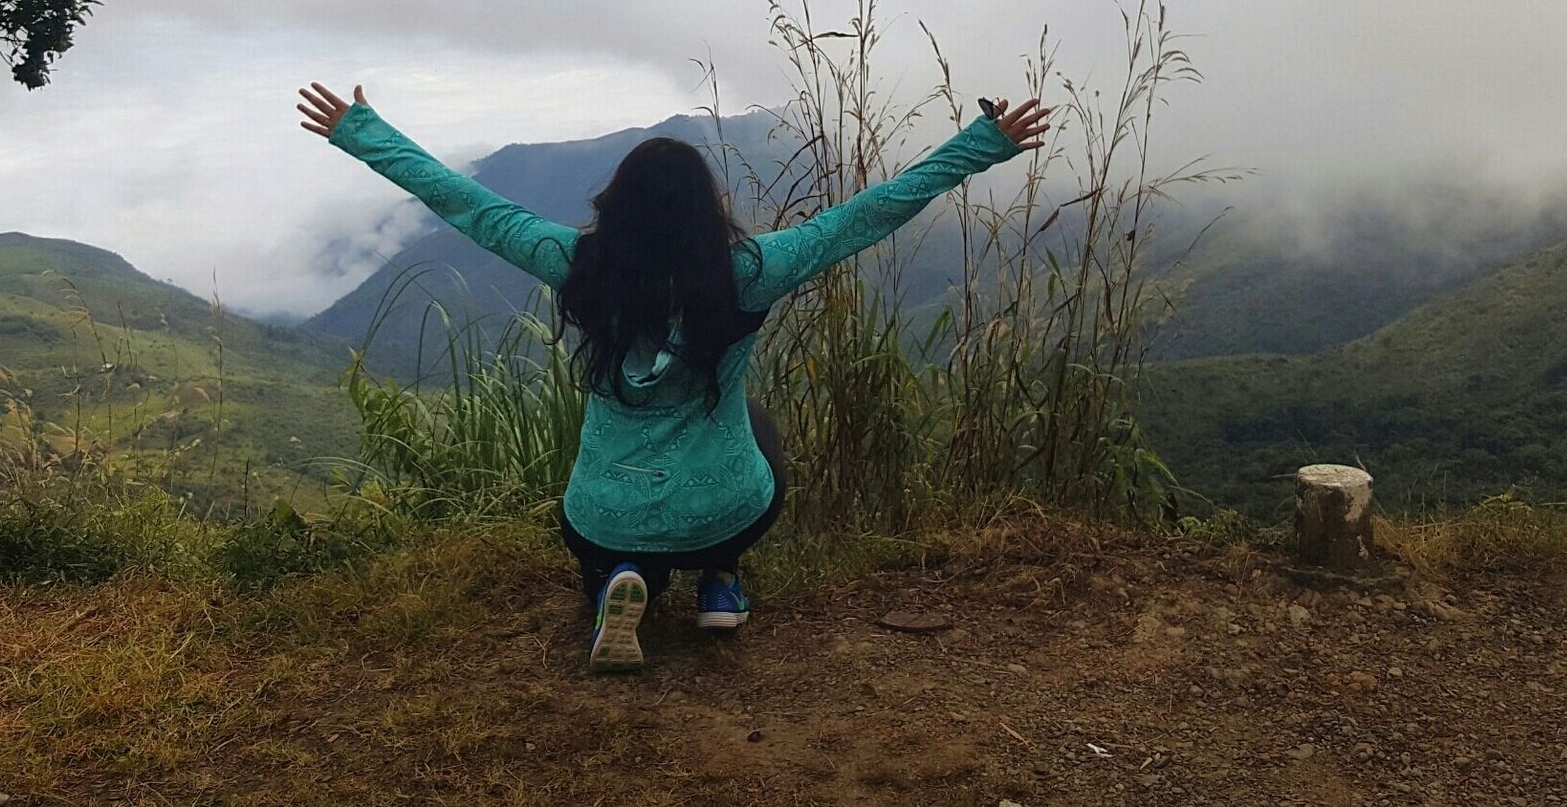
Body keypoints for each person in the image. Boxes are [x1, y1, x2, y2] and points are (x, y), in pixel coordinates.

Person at [295, 82, 1052, 672]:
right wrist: (981, 143)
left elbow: (468, 205)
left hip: (601, 512)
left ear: (615, 208)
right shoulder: (750, 272)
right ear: (706, 212)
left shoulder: (574, 262)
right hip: (724, 506)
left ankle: (616, 582)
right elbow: (866, 214)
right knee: (755, 426)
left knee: (609, 533)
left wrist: (362, 133)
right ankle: (719, 580)